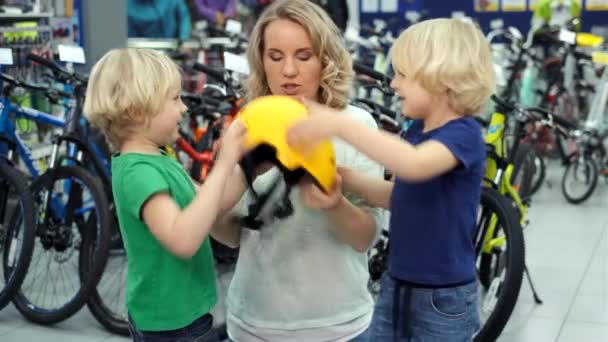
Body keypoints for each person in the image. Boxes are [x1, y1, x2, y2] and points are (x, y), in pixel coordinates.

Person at [288, 18, 495, 341]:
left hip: (443, 300)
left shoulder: (464, 135)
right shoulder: (415, 131)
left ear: (439, 77)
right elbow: (399, 194)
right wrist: (342, 176)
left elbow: (413, 166)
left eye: (402, 74)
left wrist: (339, 125)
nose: (393, 84)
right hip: (396, 286)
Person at [215, 0, 385, 341]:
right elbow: (229, 234)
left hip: (339, 328)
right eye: (275, 57)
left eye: (303, 56)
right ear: (261, 62)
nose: (288, 71)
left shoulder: (355, 125)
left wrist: (335, 202)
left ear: (325, 59)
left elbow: (365, 237)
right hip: (254, 325)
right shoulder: (249, 125)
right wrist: (228, 180)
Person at [83, 48, 249, 342]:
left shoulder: (159, 159)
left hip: (184, 316)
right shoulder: (139, 172)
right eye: (175, 99)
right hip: (172, 327)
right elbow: (182, 240)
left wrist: (248, 169)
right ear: (137, 111)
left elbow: (209, 203)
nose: (184, 108)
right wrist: (224, 165)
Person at [127, 0, 192, 40]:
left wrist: (184, 39)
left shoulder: (172, 2)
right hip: (139, 50)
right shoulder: (125, 4)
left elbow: (184, 17)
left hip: (172, 47)